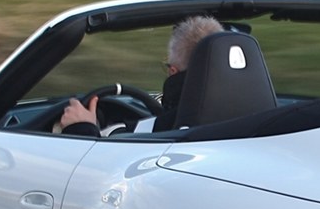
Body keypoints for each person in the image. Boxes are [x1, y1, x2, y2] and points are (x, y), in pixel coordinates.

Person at [59, 14, 224, 136]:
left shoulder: (167, 131)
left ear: (173, 72)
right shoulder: (246, 122)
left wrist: (81, 127)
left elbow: (98, 170)